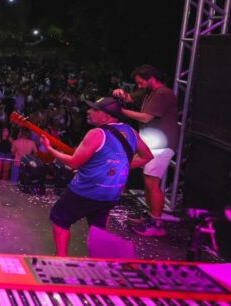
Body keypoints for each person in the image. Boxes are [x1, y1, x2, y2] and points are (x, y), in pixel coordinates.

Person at [44, 97, 154, 256]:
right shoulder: (130, 131)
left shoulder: (96, 134)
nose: (89, 111)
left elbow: (74, 162)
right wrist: (117, 166)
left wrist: (50, 149)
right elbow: (146, 156)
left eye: (95, 109)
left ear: (106, 116)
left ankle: (61, 259)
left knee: (60, 219)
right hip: (111, 194)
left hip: (85, 191)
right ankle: (97, 262)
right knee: (98, 230)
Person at [112, 64, 179, 237]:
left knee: (152, 183)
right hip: (153, 144)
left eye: (141, 82)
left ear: (151, 78)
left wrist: (121, 111)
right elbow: (129, 98)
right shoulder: (149, 92)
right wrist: (119, 93)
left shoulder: (163, 93)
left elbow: (146, 117)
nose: (139, 85)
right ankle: (150, 216)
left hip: (162, 145)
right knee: (148, 182)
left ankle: (157, 225)